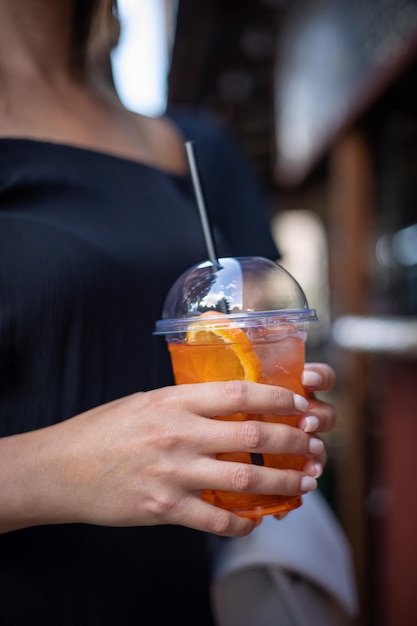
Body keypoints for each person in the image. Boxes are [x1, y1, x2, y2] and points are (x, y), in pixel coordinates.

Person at [0, 1, 337, 624]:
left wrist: (277, 409)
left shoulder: (192, 147)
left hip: (186, 592)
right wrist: (54, 472)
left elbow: (257, 313)